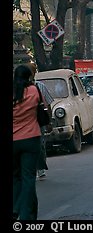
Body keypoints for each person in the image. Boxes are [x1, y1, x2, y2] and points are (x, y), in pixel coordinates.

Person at [13, 64, 46, 220]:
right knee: (28, 178)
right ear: (29, 77)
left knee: (15, 177)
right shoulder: (34, 90)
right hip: (32, 138)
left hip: (13, 141)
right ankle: (26, 214)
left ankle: (16, 208)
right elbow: (44, 108)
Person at [24, 63, 54, 181]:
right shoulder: (18, 88)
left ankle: (40, 169)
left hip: (38, 121)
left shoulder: (40, 87)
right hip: (24, 123)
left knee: (40, 145)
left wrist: (49, 121)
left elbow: (48, 105)